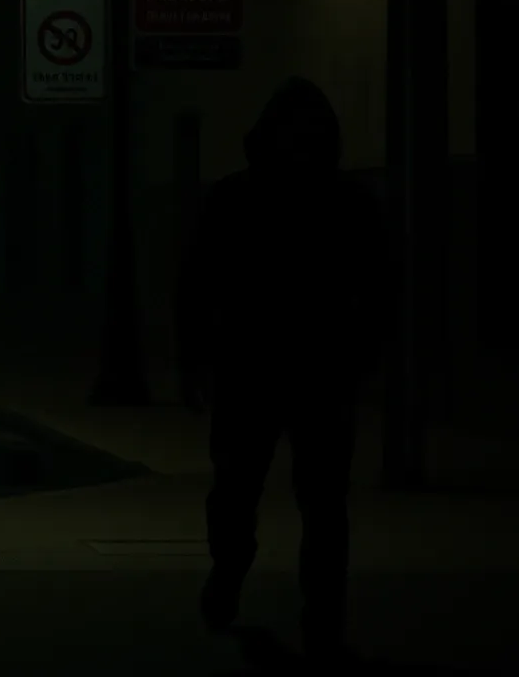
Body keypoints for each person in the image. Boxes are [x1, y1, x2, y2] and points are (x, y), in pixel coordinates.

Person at [174, 77, 392, 662]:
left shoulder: (330, 201)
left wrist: (367, 351)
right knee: (255, 492)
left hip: (295, 367)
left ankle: (315, 614)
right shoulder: (253, 198)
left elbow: (377, 286)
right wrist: (194, 358)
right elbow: (197, 282)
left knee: (313, 500)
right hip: (268, 367)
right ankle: (244, 572)